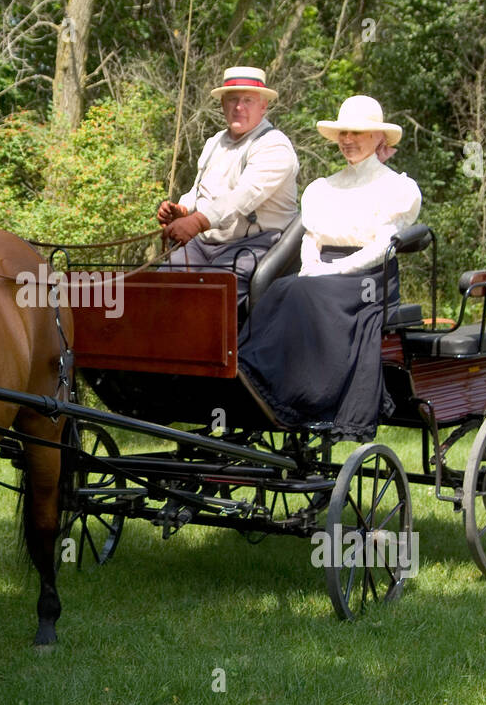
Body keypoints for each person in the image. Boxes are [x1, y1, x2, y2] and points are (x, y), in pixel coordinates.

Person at [238, 95, 421, 440]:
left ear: (378, 138)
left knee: (304, 292)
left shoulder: (395, 187)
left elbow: (383, 246)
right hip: (322, 272)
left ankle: (300, 393)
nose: (348, 140)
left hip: (369, 278)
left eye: (357, 133)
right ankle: (253, 375)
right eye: (343, 133)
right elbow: (312, 237)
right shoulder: (324, 188)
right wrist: (311, 265)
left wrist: (332, 272)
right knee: (283, 288)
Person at [157, 66, 299, 303]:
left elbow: (243, 196)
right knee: (157, 291)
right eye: (232, 100)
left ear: (263, 106)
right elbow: (200, 190)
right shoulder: (214, 143)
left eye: (247, 100)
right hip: (204, 245)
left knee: (205, 303)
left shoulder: (275, 146)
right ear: (222, 104)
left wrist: (196, 221)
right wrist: (181, 210)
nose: (239, 107)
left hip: (254, 245)